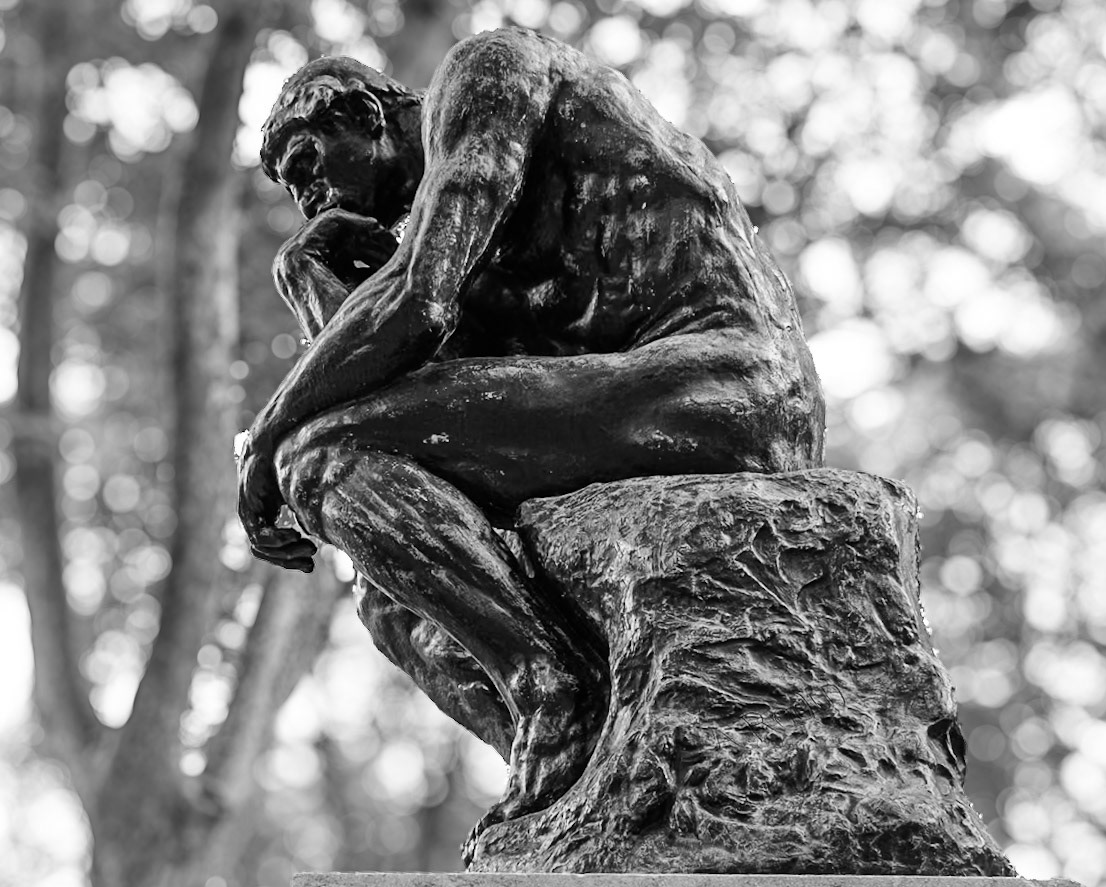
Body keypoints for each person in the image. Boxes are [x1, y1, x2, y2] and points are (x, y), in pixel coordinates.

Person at [239, 26, 825, 825]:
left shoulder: (488, 76)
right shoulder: (451, 240)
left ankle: (552, 687)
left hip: (728, 383)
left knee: (318, 459)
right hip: (620, 401)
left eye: (308, 167)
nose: (310, 200)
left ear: (365, 115)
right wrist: (304, 274)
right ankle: (574, 771)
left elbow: (417, 304)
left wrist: (270, 437)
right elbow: (412, 386)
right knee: (384, 585)